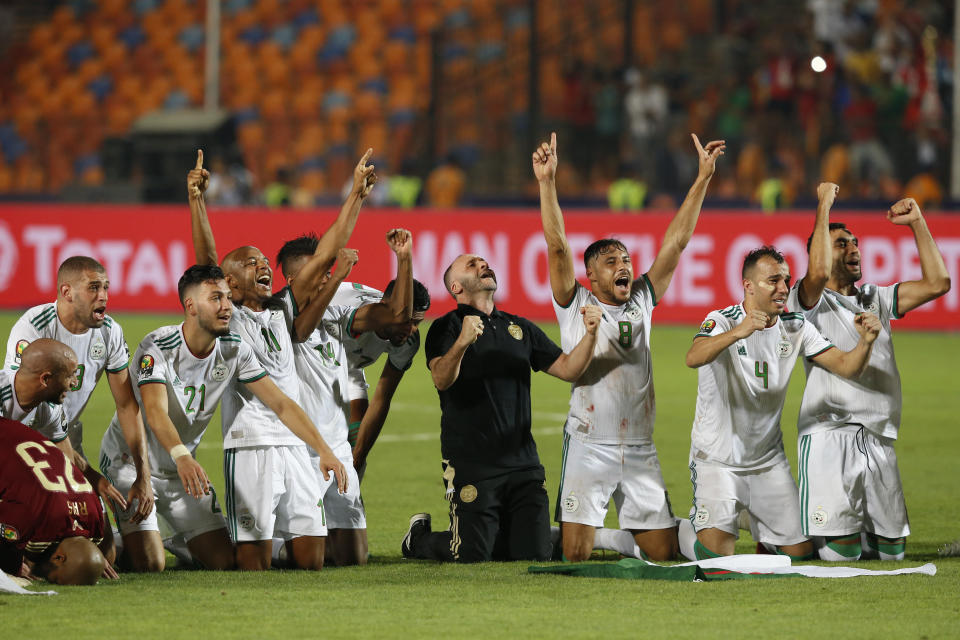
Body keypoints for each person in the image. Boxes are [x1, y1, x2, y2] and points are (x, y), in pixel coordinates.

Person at [532, 132, 725, 562]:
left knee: (660, 554)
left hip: (640, 445)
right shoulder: (575, 302)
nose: (624, 267)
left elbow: (676, 243)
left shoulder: (641, 298)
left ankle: (600, 532)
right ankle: (570, 531)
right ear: (592, 277)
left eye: (626, 260)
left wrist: (702, 179)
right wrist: (547, 183)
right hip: (588, 443)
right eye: (611, 262)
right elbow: (557, 245)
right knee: (574, 556)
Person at [188, 149, 369, 570]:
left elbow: (325, 254)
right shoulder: (226, 316)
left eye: (266, 262)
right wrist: (197, 201)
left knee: (312, 560)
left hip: (295, 441)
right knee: (254, 563)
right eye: (251, 264)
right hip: (251, 443)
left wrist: (356, 194)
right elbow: (205, 263)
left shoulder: (282, 311)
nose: (264, 266)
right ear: (228, 284)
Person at [99, 265, 346, 572]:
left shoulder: (234, 349)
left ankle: (165, 538)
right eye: (215, 298)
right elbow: (154, 412)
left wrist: (323, 450)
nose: (227, 306)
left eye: (228, 298)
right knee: (149, 564)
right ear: (190, 306)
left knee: (224, 561)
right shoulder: (158, 346)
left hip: (179, 472)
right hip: (133, 466)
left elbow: (281, 403)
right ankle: (112, 540)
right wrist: (181, 456)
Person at [680, 246, 881, 560]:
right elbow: (693, 357)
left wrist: (866, 343)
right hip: (717, 460)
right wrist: (738, 332)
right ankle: (692, 524)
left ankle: (746, 516)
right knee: (716, 558)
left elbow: (846, 366)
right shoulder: (722, 319)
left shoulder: (795, 326)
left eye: (786, 280)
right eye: (773, 280)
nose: (784, 288)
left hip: (767, 463)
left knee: (799, 552)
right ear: (748, 286)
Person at [401, 253, 602, 563]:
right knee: (469, 554)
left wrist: (591, 335)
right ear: (456, 287)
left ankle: (497, 531)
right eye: (472, 265)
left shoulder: (519, 327)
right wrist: (463, 342)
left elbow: (567, 369)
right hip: (473, 464)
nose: (483, 265)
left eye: (483, 262)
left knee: (534, 555)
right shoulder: (446, 327)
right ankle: (419, 540)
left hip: (523, 464)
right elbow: (441, 379)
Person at [787, 189, 950, 561]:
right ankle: (777, 528)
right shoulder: (807, 301)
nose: (853, 249)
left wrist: (918, 224)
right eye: (841, 243)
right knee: (840, 556)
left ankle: (829, 527)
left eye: (855, 242)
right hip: (830, 434)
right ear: (824, 253)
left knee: (892, 556)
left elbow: (938, 283)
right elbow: (817, 271)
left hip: (878, 439)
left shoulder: (876, 298)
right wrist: (823, 205)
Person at [273, 230, 415, 566]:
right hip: (298, 448)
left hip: (333, 445)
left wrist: (404, 258)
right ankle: (259, 545)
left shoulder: (336, 313)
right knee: (308, 558)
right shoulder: (277, 316)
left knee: (353, 557)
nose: (325, 281)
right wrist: (337, 276)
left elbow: (396, 318)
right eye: (318, 273)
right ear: (294, 280)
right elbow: (302, 329)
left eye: (326, 272)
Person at [4, 256, 154, 557]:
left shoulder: (110, 332)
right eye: (93, 288)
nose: (104, 296)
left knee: (110, 555)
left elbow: (126, 405)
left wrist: (143, 475)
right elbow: (20, 395)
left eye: (106, 288)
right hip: (18, 442)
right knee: (35, 541)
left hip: (63, 437)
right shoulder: (34, 327)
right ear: (67, 292)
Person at [328, 277, 431, 478]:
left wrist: (358, 457)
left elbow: (382, 397)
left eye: (417, 322)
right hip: (309, 362)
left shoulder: (407, 341)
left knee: (356, 446)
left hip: (349, 367)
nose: (412, 330)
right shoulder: (340, 306)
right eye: (407, 321)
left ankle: (348, 504)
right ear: (384, 307)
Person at [0, 417, 110, 585]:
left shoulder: (95, 522)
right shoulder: (36, 522)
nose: (51, 580)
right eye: (57, 579)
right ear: (59, 558)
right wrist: (11, 566)